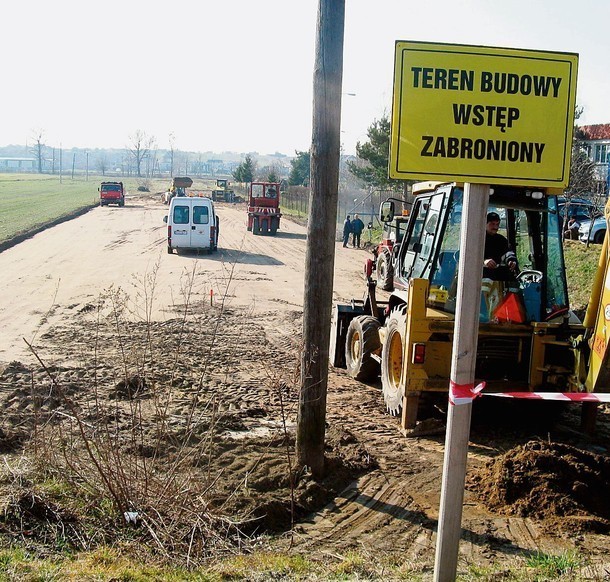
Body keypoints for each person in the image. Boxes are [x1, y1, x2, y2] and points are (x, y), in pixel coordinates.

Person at [483, 211, 518, 280]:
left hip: (497, 278)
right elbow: (470, 256)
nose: (495, 227)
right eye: (492, 224)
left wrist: (511, 260)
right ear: (485, 224)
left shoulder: (501, 240)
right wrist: (484, 261)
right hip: (479, 278)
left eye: (497, 224)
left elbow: (507, 252)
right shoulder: (477, 240)